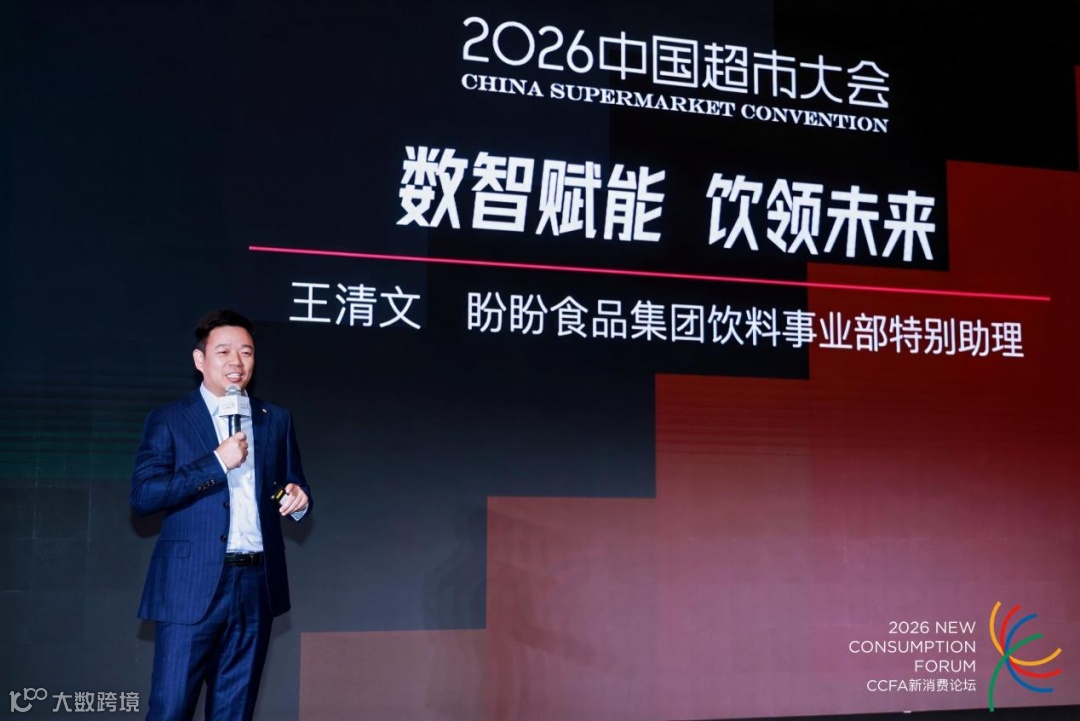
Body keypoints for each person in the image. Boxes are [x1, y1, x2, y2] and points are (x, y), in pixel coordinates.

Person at [131, 309, 312, 721]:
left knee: (235, 711)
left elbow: (291, 482)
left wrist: (299, 499)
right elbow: (143, 495)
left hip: (255, 584)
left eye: (246, 352)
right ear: (200, 360)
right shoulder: (169, 419)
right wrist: (215, 463)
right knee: (171, 709)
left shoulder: (275, 419)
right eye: (224, 351)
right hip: (189, 586)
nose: (237, 362)